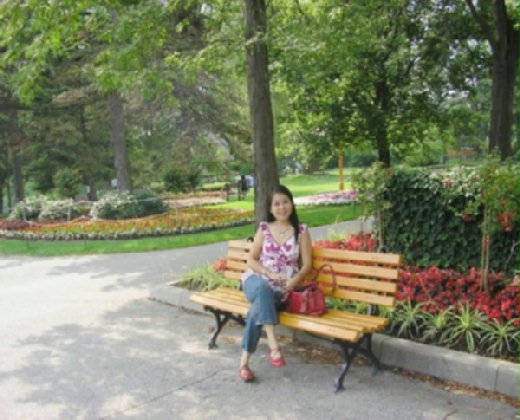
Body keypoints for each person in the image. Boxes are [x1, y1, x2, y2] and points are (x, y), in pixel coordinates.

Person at [239, 184, 313, 382]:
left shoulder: (301, 231)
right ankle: (273, 345)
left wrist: (295, 280)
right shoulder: (264, 229)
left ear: (292, 204)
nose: (282, 207)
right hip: (255, 280)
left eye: (285, 202)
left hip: (281, 288)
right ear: (271, 209)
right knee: (262, 288)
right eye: (277, 204)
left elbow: (307, 264)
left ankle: (244, 363)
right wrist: (268, 272)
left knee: (257, 309)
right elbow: (251, 260)